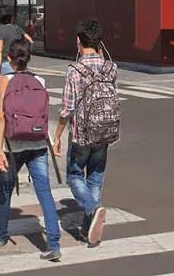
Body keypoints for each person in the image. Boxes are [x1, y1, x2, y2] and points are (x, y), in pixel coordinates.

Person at [0, 38, 62, 261]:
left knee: (5, 189)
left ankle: (0, 235)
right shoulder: (40, 80)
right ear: (29, 58)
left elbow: (2, 116)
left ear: (9, 59)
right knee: (44, 191)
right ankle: (53, 243)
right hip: (38, 143)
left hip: (13, 146)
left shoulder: (6, 80)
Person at [52, 18, 120, 248]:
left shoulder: (75, 70)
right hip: (105, 132)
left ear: (79, 41)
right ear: (100, 43)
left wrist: (57, 136)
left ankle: (92, 208)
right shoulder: (111, 68)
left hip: (81, 134)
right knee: (95, 177)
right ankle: (88, 229)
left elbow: (67, 109)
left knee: (74, 176)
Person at [0, 9, 33, 131]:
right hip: (18, 64)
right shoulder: (16, 28)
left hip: (5, 64)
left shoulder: (0, 30)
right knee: (17, 93)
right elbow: (30, 40)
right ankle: (18, 121)